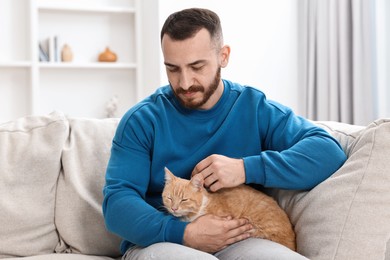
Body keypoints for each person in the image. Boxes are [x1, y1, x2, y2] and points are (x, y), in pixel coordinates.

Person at [102, 7, 346, 260]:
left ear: (223, 56)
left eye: (197, 66)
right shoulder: (142, 120)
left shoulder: (254, 108)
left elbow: (328, 152)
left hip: (241, 237)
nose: (185, 82)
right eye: (173, 69)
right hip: (162, 240)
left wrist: (245, 169)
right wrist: (183, 233)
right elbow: (117, 205)